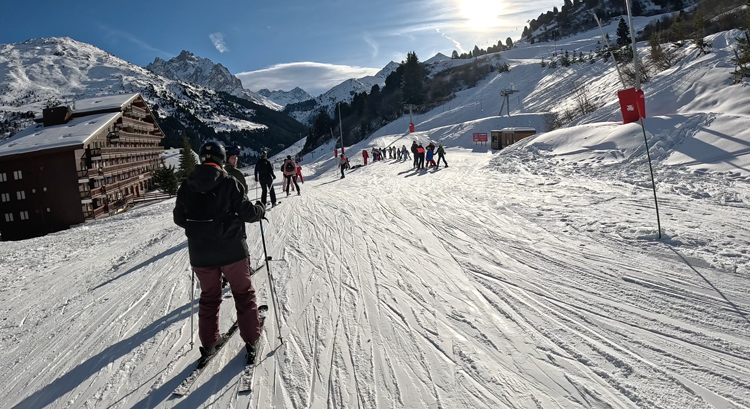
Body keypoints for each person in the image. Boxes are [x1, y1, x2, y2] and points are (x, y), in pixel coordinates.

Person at [173, 141, 266, 364]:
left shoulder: (187, 185)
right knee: (243, 294)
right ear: (222, 159)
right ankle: (252, 339)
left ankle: (209, 342)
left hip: (201, 255)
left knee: (209, 298)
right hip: (232, 250)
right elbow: (248, 213)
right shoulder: (229, 182)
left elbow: (179, 218)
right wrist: (260, 209)